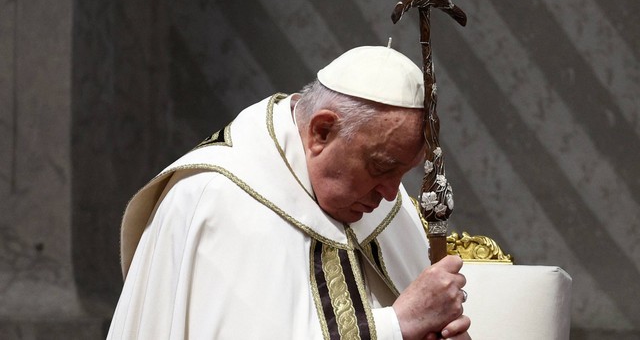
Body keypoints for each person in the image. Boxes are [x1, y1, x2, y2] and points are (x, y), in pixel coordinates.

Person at [107, 46, 471, 340]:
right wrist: (395, 327)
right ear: (321, 132)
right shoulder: (218, 199)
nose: (392, 195)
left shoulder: (381, 206)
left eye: (402, 173)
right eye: (380, 168)